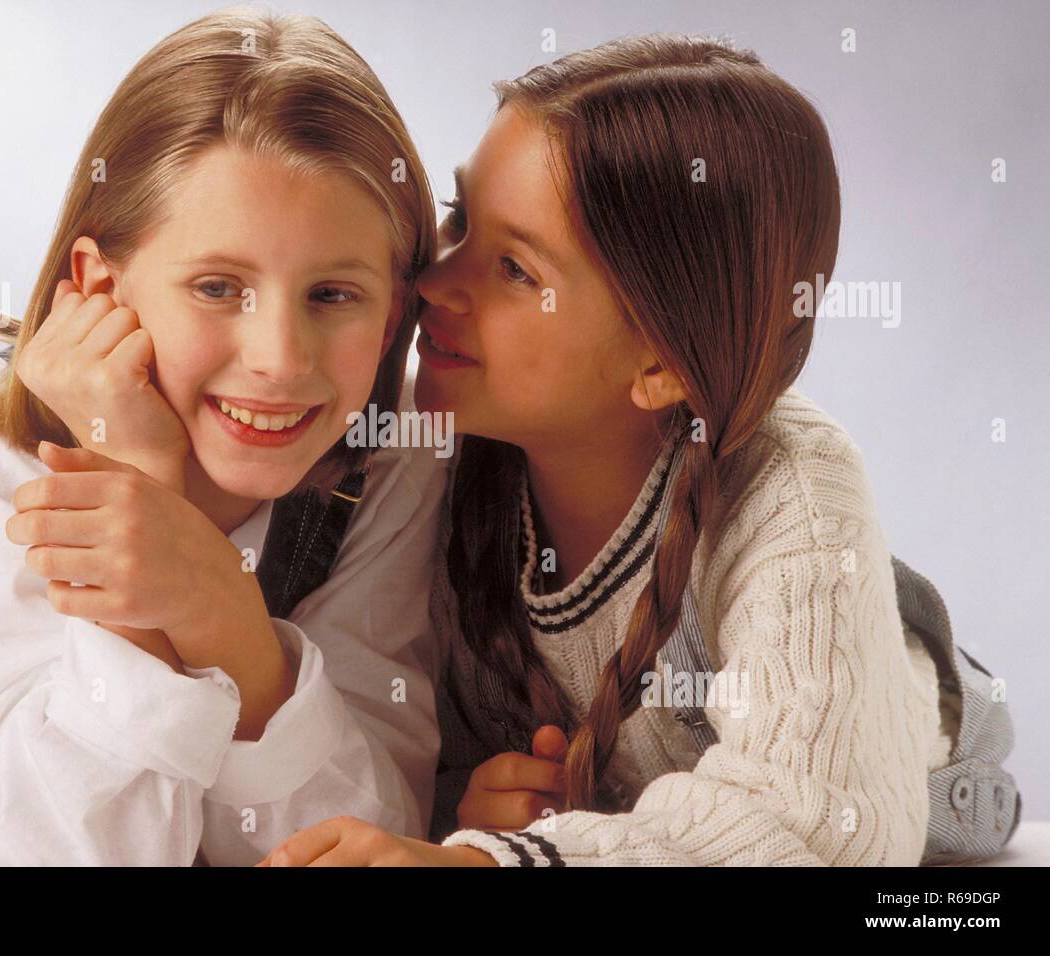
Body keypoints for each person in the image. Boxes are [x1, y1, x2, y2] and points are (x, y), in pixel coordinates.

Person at [0, 9, 446, 866]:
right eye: (220, 287)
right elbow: (80, 850)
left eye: (332, 295)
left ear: (393, 317)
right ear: (99, 285)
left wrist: (225, 621)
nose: (279, 360)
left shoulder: (390, 457)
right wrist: (140, 482)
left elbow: (368, 833)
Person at [261, 35, 956, 867]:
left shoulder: (793, 490)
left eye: (515, 269)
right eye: (460, 218)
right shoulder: (433, 452)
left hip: (910, 757)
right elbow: (381, 740)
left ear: (659, 360)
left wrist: (490, 862)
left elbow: (819, 830)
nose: (439, 281)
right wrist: (460, 805)